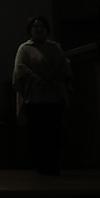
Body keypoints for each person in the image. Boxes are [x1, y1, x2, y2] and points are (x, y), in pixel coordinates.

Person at [12, 15, 72, 175]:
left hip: (54, 96)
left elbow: (64, 65)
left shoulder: (54, 47)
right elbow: (20, 67)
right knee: (38, 132)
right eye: (35, 26)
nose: (39, 29)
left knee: (54, 132)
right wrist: (37, 79)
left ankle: (53, 164)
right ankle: (40, 165)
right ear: (30, 30)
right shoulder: (25, 48)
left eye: (42, 26)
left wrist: (54, 79)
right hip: (35, 97)